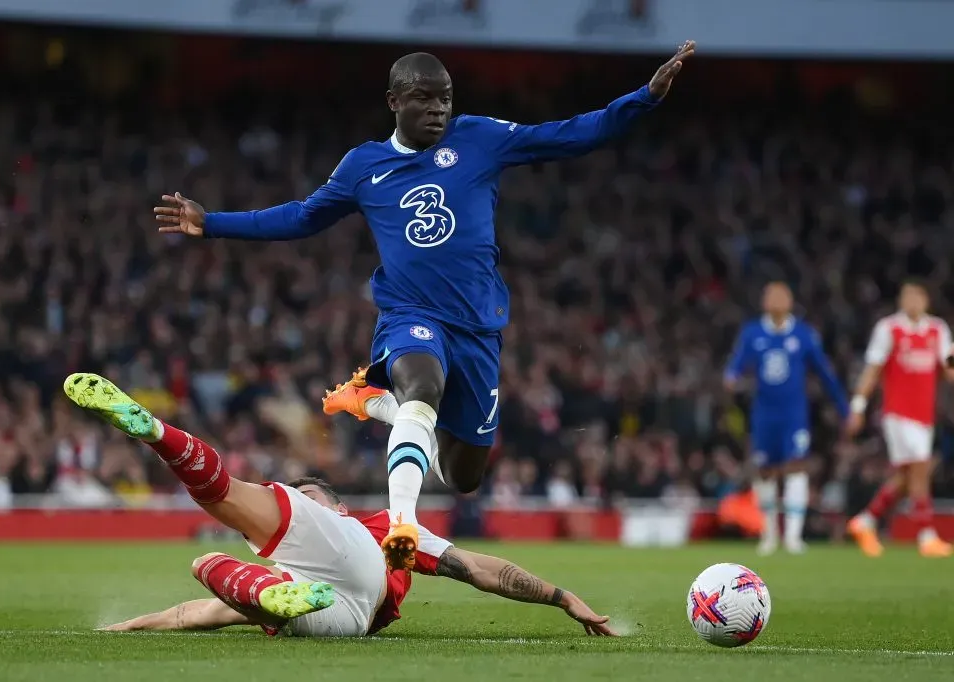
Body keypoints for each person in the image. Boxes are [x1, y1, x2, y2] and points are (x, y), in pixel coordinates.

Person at [154, 43, 696, 570]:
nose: (438, 108)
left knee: (463, 476)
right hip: (410, 316)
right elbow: (302, 217)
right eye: (424, 98)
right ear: (393, 101)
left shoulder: (479, 138)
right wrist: (212, 223)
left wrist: (643, 97)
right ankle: (403, 523)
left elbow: (568, 136)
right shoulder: (365, 166)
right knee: (422, 384)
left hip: (479, 328)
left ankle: (374, 402)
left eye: (445, 98)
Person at [64, 372, 614, 637]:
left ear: (337, 505)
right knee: (211, 571)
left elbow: (481, 568)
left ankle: (156, 431)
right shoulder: (324, 561)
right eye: (299, 495)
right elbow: (193, 613)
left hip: (358, 565)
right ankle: (275, 597)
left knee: (228, 497)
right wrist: (127, 629)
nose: (303, 498)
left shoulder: (378, 527)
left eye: (311, 495)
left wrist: (560, 597)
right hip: (344, 616)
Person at [723, 282, 848, 555]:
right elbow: (736, 363)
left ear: (791, 301)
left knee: (795, 467)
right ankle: (769, 534)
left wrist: (843, 408)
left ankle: (793, 536)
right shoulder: (752, 333)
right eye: (772, 295)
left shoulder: (803, 334)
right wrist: (731, 377)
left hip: (794, 414)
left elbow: (825, 373)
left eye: (783, 295)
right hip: (764, 414)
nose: (777, 300)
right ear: (764, 301)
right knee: (765, 473)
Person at [846, 280, 954, 558]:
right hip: (898, 413)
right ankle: (927, 535)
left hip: (924, 415)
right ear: (901, 301)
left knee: (907, 476)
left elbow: (948, 367)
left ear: (926, 300)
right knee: (920, 468)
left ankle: (865, 520)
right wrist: (858, 405)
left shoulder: (937, 329)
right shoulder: (888, 329)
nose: (912, 302)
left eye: (917, 296)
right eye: (907, 296)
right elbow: (873, 369)